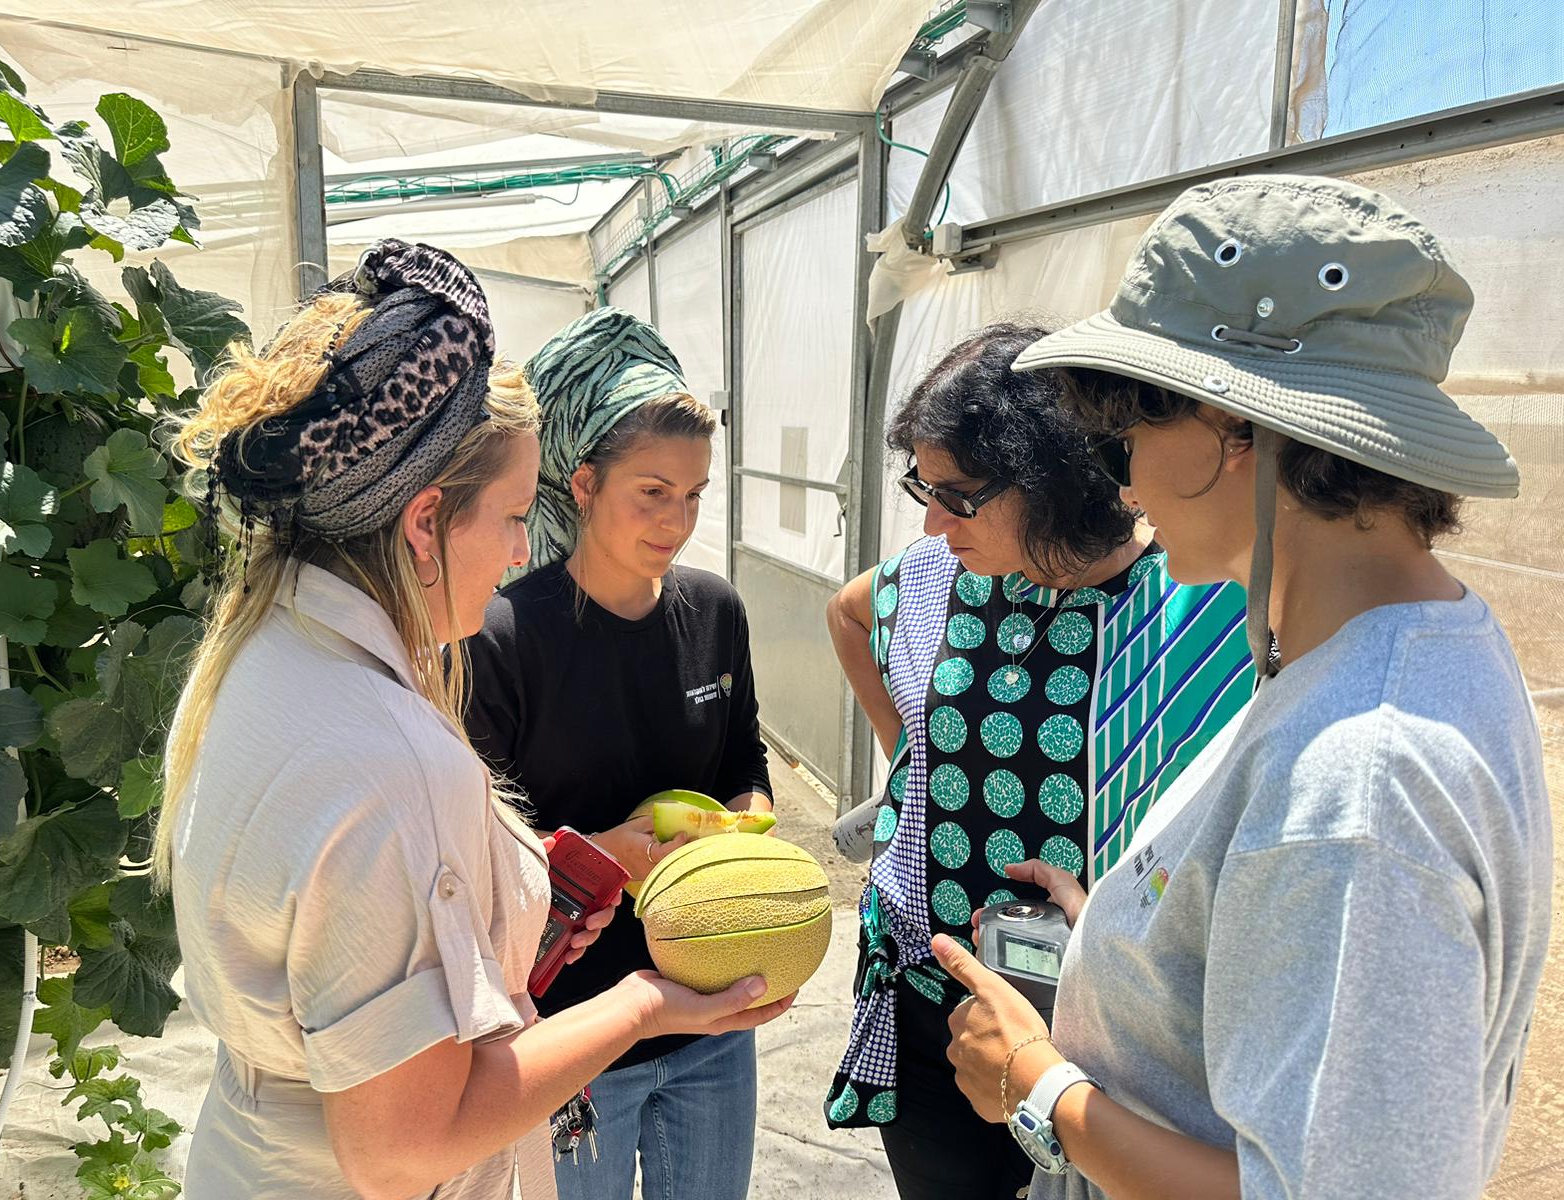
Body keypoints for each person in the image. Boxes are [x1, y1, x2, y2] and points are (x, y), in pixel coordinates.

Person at [936, 174, 1553, 1200]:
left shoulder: (1363, 777)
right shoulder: (1400, 648)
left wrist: (1036, 1086)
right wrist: (1138, 954)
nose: (1121, 477)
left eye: (1128, 429)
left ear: (1234, 430)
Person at [158, 247, 791, 1200]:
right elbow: (404, 1149)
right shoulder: (390, 761)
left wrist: (517, 913)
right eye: (507, 517)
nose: (517, 551)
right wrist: (641, 1005)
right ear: (421, 523)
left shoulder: (268, 651)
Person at [823, 321, 1255, 1199]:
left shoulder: (1193, 606)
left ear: (1056, 478)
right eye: (923, 487)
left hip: (1095, 1040)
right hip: (938, 1003)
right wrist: (911, 764)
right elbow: (846, 614)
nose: (933, 521)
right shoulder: (945, 573)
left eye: (959, 493)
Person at [463, 307, 774, 1200]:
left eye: (694, 493)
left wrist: (745, 822)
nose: (677, 519)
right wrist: (604, 855)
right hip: (576, 1032)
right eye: (652, 491)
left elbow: (744, 764)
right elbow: (481, 848)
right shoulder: (504, 635)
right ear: (585, 483)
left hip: (715, 1016)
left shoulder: (716, 611)